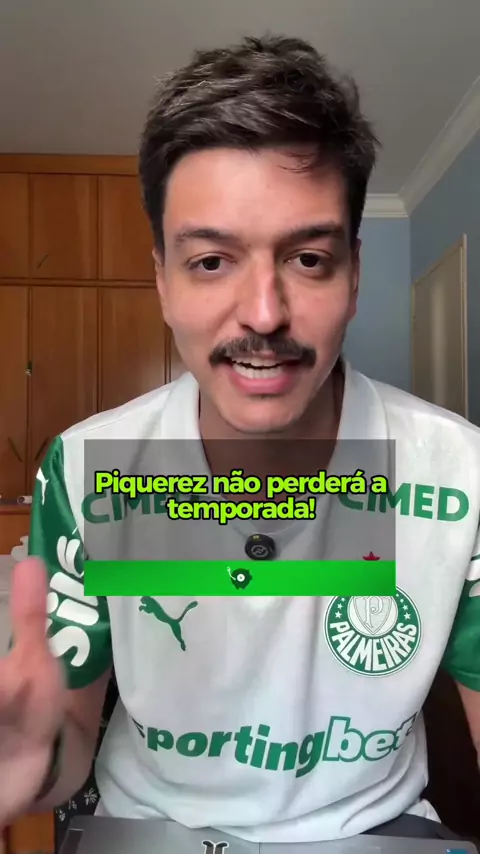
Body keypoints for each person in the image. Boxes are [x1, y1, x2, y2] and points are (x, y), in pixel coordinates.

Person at [1, 34, 480, 844]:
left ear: (354, 275)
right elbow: (68, 740)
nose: (263, 314)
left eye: (309, 258)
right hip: (150, 827)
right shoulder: (91, 469)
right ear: (162, 280)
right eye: (212, 261)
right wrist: (27, 756)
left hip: (372, 831)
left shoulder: (459, 473)